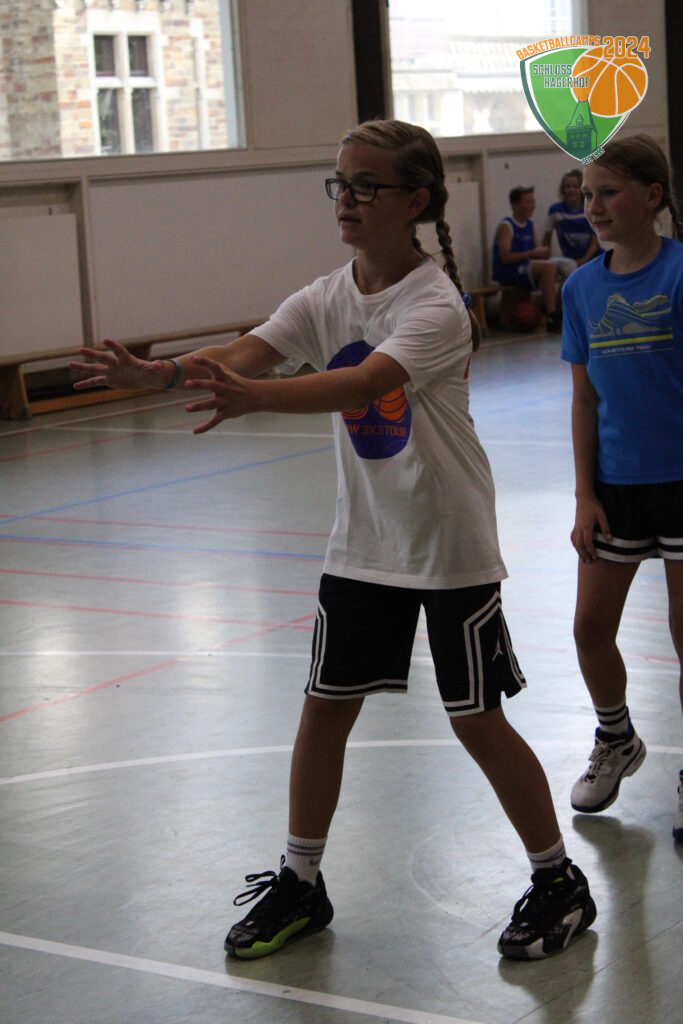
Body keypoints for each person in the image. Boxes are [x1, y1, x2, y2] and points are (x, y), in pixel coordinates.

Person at [70, 119, 596, 959]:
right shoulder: (325, 294)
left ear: (413, 201)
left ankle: (557, 879)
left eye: (364, 185)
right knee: (323, 710)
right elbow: (249, 350)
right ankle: (301, 882)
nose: (345, 199)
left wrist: (253, 398)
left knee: (474, 719)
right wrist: (163, 372)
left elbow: (362, 381)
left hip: (447, 543)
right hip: (364, 543)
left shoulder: (433, 305)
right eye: (339, 183)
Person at [560, 134, 683, 842]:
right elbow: (583, 400)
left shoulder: (679, 274)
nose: (593, 206)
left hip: (680, 483)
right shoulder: (581, 289)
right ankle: (616, 737)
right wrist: (584, 495)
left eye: (608, 192)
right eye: (587, 194)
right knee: (588, 629)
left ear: (652, 197)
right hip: (615, 489)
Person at [492, 186, 572, 333]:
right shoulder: (507, 226)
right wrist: (533, 253)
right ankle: (552, 315)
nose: (532, 206)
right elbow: (505, 257)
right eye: (528, 202)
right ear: (516, 205)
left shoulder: (529, 224)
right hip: (508, 270)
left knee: (568, 264)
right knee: (547, 267)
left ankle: (565, 309)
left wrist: (542, 252)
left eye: (533, 202)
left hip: (525, 266)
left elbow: (536, 252)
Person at [543, 169, 599, 267]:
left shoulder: (589, 209)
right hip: (569, 261)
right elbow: (546, 240)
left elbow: (594, 244)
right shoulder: (555, 211)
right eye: (568, 186)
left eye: (575, 186)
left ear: (582, 189)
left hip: (591, 258)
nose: (571, 190)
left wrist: (583, 261)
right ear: (563, 189)